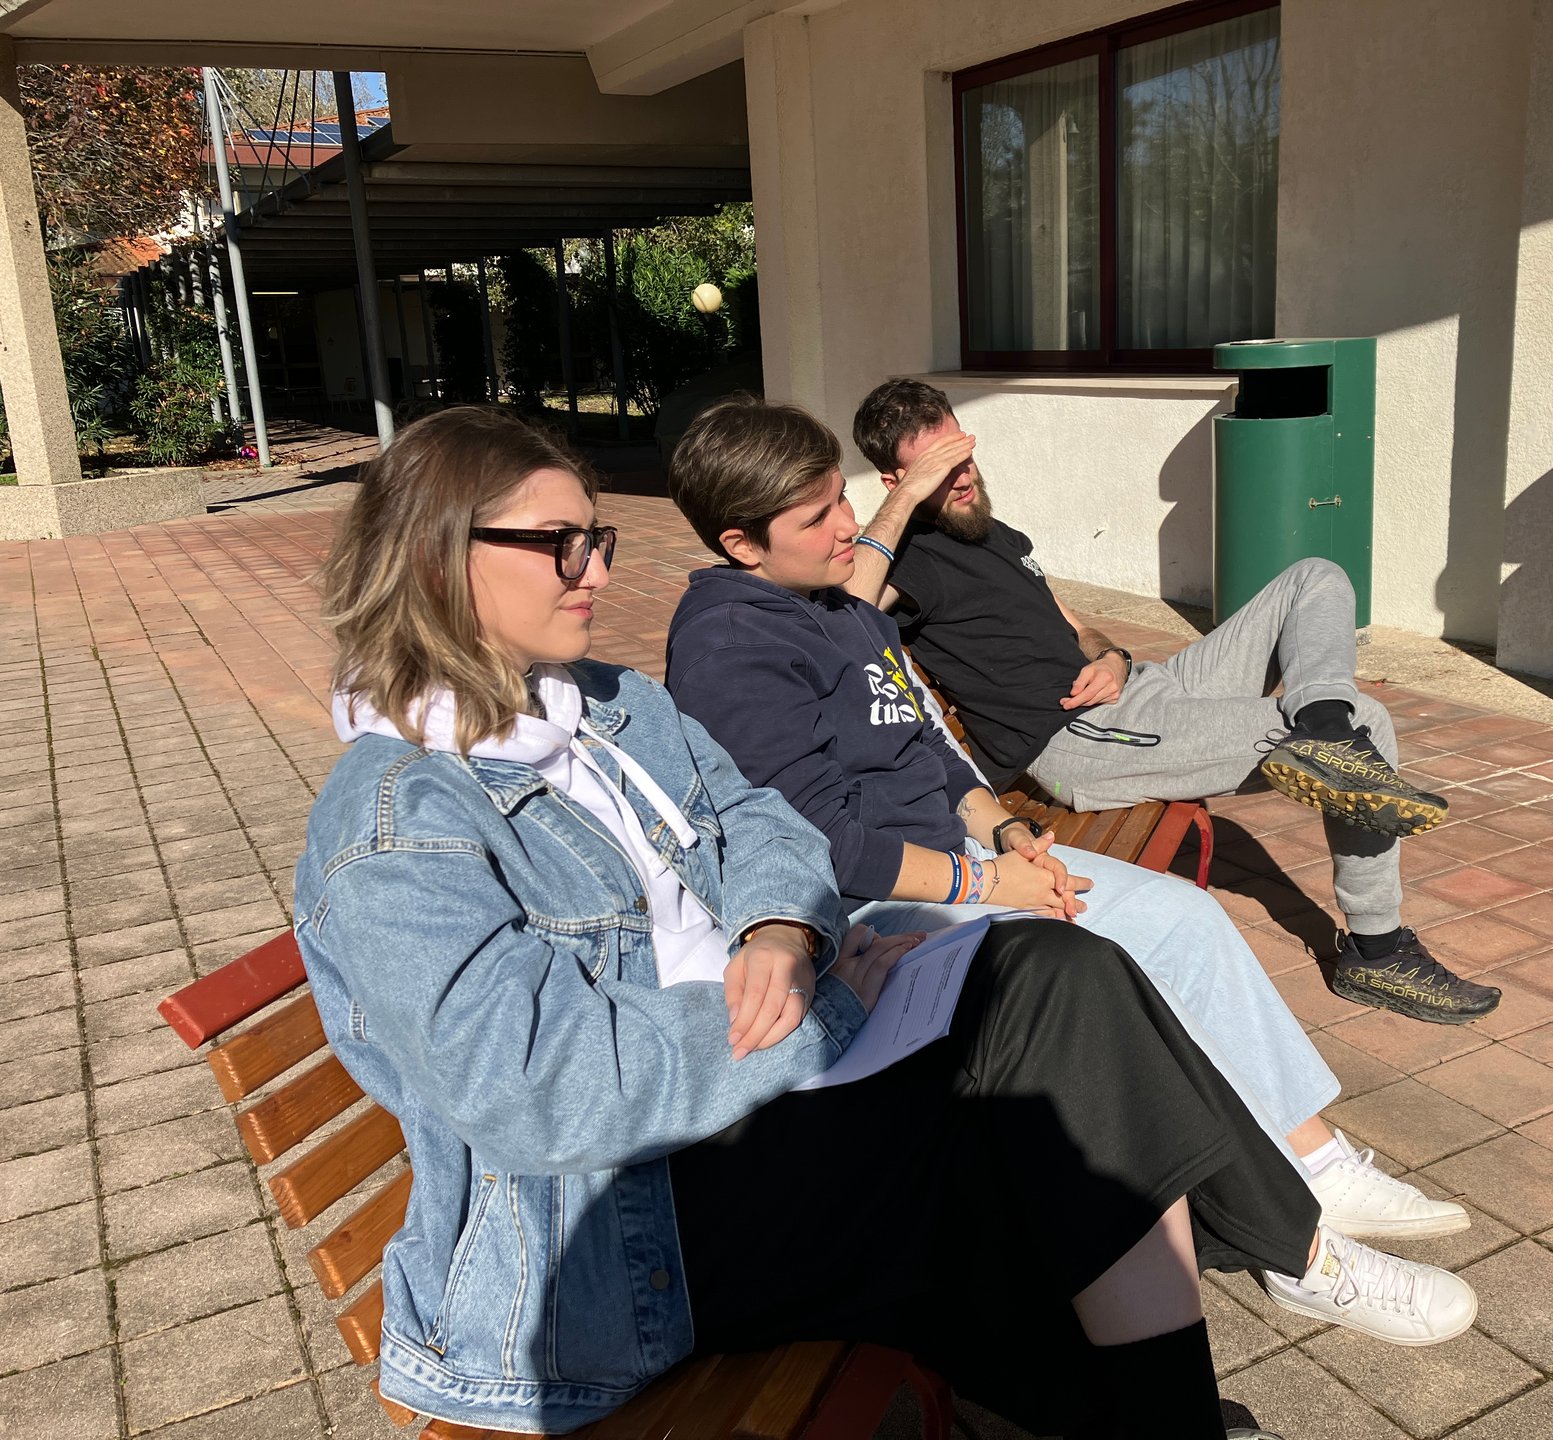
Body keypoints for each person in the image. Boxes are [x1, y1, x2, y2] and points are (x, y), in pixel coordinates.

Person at [292, 405, 1380, 1439]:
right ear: (434, 560)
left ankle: (1179, 1382)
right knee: (1023, 1097)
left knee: (1053, 976)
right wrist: (822, 1007)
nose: (599, 572)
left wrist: (780, 931)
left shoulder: (607, 705)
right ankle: (1259, 1282)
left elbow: (760, 818)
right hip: (632, 1228)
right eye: (561, 545)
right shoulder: (398, 828)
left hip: (756, 1095)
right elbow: (545, 1091)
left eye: (599, 538)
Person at [662, 396, 1481, 1353]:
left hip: (966, 861)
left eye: (839, 500)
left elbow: (932, 758)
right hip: (878, 910)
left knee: (1182, 920)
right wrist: (985, 887)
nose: (849, 527)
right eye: (817, 518)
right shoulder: (731, 645)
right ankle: (1288, 1247)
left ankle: (1319, 1163)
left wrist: (1008, 834)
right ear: (741, 544)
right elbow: (825, 844)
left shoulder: (836, 604)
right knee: (1103, 988)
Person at [842, 377, 1501, 1027]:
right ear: (899, 482)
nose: (961, 476)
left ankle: (1323, 728)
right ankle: (1376, 952)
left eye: (962, 453)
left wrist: (1110, 656)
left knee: (1315, 577)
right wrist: (902, 505)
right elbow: (845, 615)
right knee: (1371, 720)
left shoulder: (994, 533)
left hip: (1145, 688)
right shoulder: (906, 561)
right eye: (937, 468)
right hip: (1083, 737)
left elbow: (1075, 627)